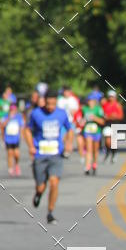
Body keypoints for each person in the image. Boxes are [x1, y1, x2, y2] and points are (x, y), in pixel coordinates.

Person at [24, 89, 73, 224]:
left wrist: (68, 143)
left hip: (56, 154)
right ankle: (38, 194)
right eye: (48, 104)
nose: (51, 107)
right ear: (44, 102)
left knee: (54, 183)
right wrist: (31, 146)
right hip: (40, 154)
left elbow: (70, 130)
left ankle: (50, 213)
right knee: (41, 186)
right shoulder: (36, 114)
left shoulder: (61, 114)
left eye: (53, 104)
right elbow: (27, 130)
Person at [82, 93, 105, 174]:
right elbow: (81, 120)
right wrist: (82, 122)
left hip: (96, 131)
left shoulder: (98, 109)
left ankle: (95, 163)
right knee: (89, 149)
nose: (90, 102)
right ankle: (87, 166)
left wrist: (94, 118)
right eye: (89, 101)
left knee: (95, 150)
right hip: (87, 131)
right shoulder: (84, 109)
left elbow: (102, 122)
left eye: (91, 101)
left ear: (95, 101)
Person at [1, 103, 24, 176]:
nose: (13, 111)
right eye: (11, 110)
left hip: (16, 138)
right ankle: (10, 168)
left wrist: (21, 135)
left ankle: (16, 164)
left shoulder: (19, 117)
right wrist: (9, 118)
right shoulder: (6, 116)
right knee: (10, 153)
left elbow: (21, 126)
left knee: (17, 154)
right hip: (8, 138)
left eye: (14, 110)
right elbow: (2, 125)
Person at [101, 89, 124, 162]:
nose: (111, 98)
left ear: (115, 97)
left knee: (113, 141)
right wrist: (107, 117)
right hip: (107, 123)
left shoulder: (118, 105)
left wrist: (113, 116)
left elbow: (121, 116)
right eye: (110, 96)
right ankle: (108, 152)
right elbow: (102, 114)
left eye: (112, 96)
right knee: (107, 141)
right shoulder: (105, 104)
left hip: (115, 123)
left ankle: (114, 154)